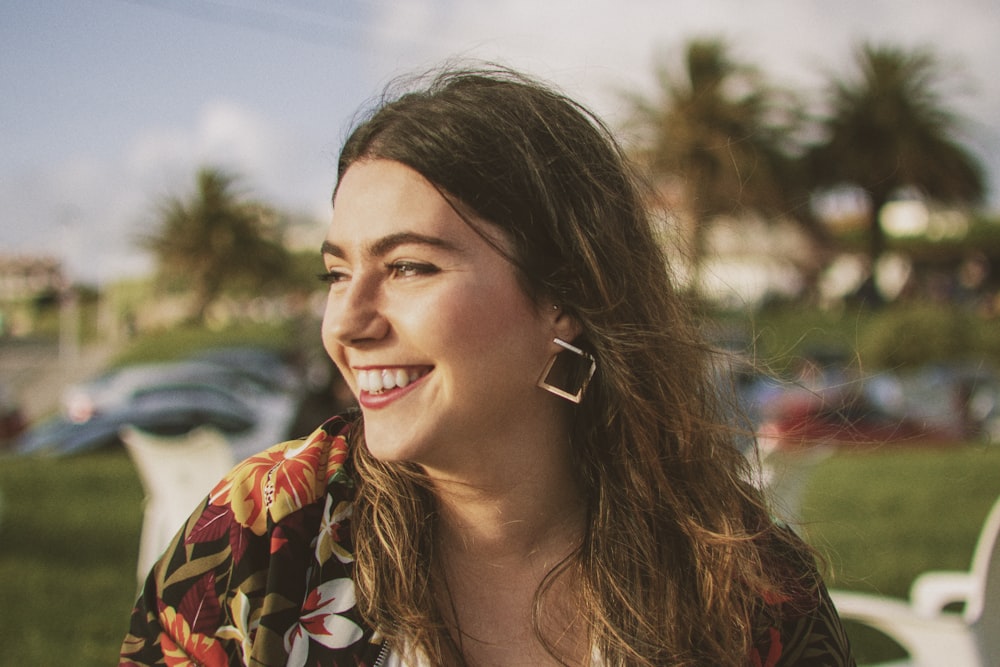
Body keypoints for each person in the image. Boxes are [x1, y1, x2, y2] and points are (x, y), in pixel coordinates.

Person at [120, 64, 854, 666]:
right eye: (337, 273)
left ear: (566, 295)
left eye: (408, 266)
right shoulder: (262, 536)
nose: (346, 322)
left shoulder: (737, 581)